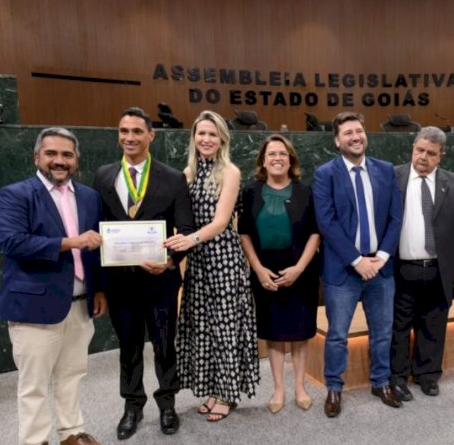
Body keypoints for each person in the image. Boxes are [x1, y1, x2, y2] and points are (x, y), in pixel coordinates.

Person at [0, 127, 107, 445]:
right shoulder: (15, 195)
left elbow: (96, 249)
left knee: (73, 373)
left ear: (76, 160)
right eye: (51, 154)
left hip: (79, 301)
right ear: (37, 157)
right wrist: (69, 242)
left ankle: (71, 432)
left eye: (67, 155)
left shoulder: (88, 196)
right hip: (34, 306)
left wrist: (99, 289)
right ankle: (36, 443)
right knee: (34, 381)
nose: (59, 161)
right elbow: (12, 242)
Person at [93, 107, 195, 439]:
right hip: (121, 284)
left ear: (151, 135)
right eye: (124, 131)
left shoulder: (172, 177)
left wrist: (170, 260)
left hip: (161, 281)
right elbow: (96, 230)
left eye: (137, 131)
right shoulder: (103, 176)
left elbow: (188, 229)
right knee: (129, 347)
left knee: (165, 346)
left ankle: (167, 404)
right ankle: (132, 407)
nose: (129, 138)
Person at [164, 110, 259, 422]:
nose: (206, 139)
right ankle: (212, 389)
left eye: (212, 134)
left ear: (222, 139)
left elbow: (220, 223)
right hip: (198, 262)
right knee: (202, 326)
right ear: (194, 138)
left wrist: (189, 241)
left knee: (225, 327)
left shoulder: (230, 172)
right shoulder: (187, 173)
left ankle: (227, 394)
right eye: (200, 133)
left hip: (223, 260)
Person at [312, 111, 403, 417]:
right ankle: (334, 387)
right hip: (344, 271)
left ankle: (381, 382)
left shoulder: (386, 170)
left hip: (381, 268)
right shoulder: (325, 174)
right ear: (338, 140)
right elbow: (327, 222)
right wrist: (356, 260)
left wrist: (382, 257)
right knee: (337, 334)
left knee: (383, 331)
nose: (355, 137)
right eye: (348, 133)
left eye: (359, 131)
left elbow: (395, 217)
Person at [389, 127, 454, 400]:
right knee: (399, 326)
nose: (423, 157)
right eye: (419, 150)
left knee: (434, 324)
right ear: (413, 147)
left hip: (441, 270)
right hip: (401, 268)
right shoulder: (391, 178)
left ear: (441, 156)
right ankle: (398, 377)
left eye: (431, 153)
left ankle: (428, 375)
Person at [238, 134, 321, 413]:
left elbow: (315, 233)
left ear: (291, 160)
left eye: (282, 154)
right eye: (271, 154)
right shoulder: (250, 191)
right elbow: (244, 234)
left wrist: (299, 269)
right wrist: (258, 270)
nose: (277, 158)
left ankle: (299, 387)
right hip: (265, 271)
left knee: (299, 333)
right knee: (274, 333)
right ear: (263, 160)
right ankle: (278, 390)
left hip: (300, 270)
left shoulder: (305, 191)